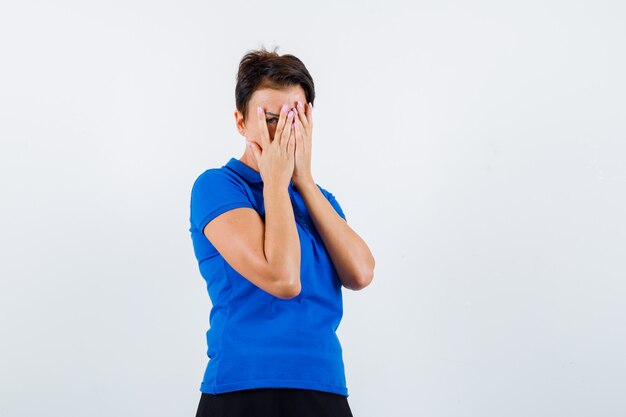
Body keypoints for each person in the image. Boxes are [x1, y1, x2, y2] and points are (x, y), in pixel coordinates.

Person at [188, 46, 375, 417]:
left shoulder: (320, 200)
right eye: (272, 118)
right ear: (241, 122)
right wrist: (275, 183)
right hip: (242, 388)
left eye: (296, 118)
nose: (284, 130)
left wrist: (302, 180)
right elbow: (283, 278)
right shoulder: (218, 187)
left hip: (322, 386)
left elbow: (361, 273)